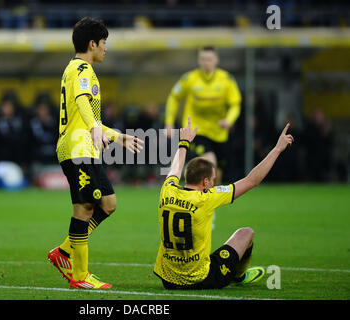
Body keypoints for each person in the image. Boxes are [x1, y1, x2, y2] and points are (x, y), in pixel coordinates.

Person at [48, 17, 144, 290]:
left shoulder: (76, 69)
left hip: (85, 148)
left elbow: (87, 115)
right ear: (92, 44)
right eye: (104, 43)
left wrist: (117, 136)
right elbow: (81, 102)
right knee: (85, 207)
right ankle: (80, 276)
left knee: (109, 204)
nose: (106, 49)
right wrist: (94, 129)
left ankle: (64, 252)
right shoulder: (82, 69)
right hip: (77, 149)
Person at [153, 117, 294, 290]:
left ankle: (232, 273)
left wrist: (183, 142)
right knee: (246, 233)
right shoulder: (207, 198)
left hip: (169, 279)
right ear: (205, 182)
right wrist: (277, 149)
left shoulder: (167, 190)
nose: (214, 183)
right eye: (212, 179)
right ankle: (239, 276)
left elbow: (175, 168)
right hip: (200, 279)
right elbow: (251, 181)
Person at [165, 46, 241, 184]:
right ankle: (200, 199)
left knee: (216, 174)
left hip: (219, 133)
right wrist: (169, 123)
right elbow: (173, 97)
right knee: (209, 163)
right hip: (196, 130)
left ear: (216, 60)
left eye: (209, 59)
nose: (206, 62)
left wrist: (229, 120)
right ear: (199, 60)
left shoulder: (226, 80)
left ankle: (211, 202)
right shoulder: (189, 79)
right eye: (203, 59)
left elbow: (235, 104)